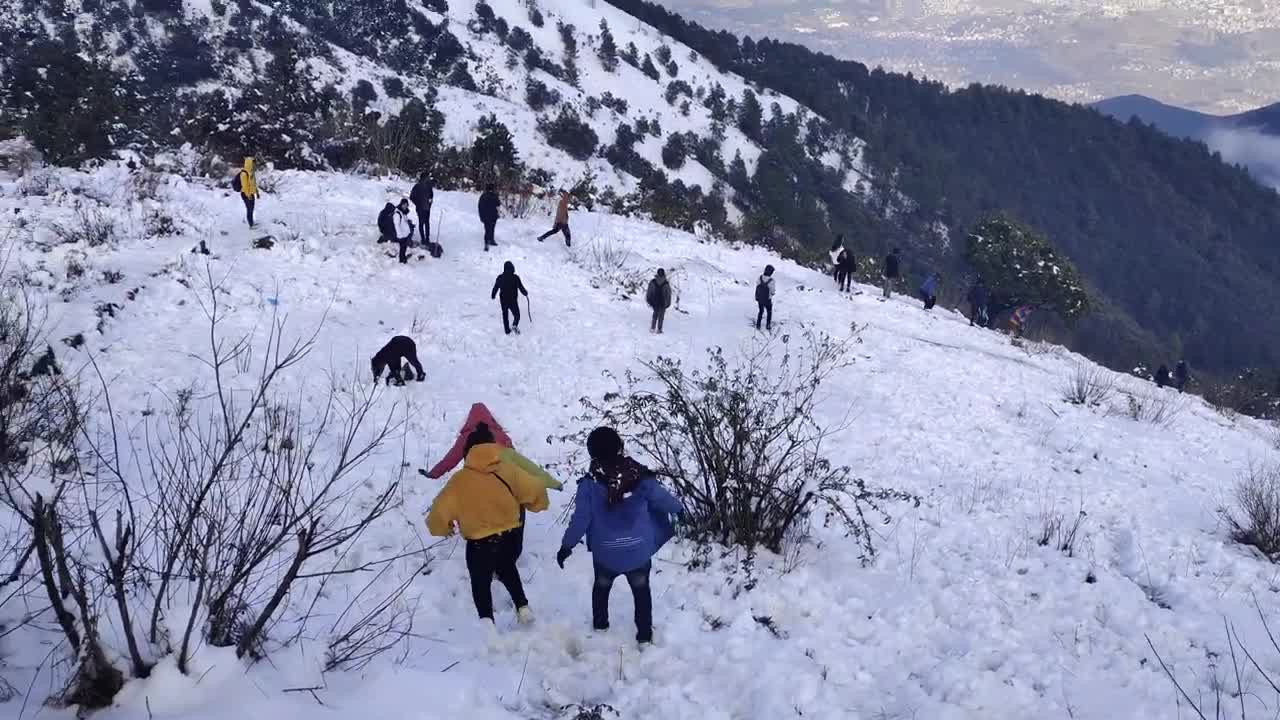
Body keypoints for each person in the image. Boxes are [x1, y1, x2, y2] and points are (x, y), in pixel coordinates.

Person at [556, 427, 683, 646]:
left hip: (606, 553)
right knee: (641, 590)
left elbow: (581, 520)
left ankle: (601, 625)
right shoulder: (640, 477)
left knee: (601, 586)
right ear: (619, 447)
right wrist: (679, 510)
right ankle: (644, 635)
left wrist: (566, 546)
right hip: (638, 551)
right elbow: (664, 500)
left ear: (591, 451)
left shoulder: (588, 485)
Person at [426, 425, 550, 626]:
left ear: (468, 451)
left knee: (480, 581)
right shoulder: (509, 469)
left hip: (479, 541)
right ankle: (523, 607)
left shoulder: (459, 481)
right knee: (507, 567)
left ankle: (487, 624)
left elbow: (438, 514)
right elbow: (536, 488)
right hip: (510, 533)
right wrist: (535, 504)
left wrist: (443, 528)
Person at [424, 404, 563, 557]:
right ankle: (510, 559)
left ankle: (487, 555)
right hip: (509, 486)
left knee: (484, 522)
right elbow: (525, 465)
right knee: (515, 519)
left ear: (469, 420)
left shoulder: (466, 438)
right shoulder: (502, 438)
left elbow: (450, 460)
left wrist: (433, 474)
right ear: (491, 418)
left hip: (478, 487)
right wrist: (552, 483)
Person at [491, 261, 529, 335]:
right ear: (512, 268)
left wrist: (493, 295)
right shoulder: (515, 278)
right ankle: (514, 325)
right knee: (517, 315)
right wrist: (525, 293)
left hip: (503, 300)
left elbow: (495, 287)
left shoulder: (500, 277)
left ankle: (507, 330)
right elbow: (521, 287)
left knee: (505, 315)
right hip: (513, 301)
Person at [234, 157, 259, 228]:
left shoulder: (251, 173)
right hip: (245, 194)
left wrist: (256, 192)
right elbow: (245, 186)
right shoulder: (244, 174)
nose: (254, 164)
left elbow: (253, 184)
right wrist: (248, 195)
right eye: (253, 163)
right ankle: (251, 224)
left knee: (251, 208)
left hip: (251, 193)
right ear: (249, 164)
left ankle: (252, 222)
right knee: (249, 209)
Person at [409, 173, 434, 246]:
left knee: (426, 223)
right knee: (421, 223)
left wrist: (430, 202)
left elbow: (431, 195)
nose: (428, 179)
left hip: (427, 208)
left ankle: (427, 238)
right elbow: (411, 197)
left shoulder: (429, 186)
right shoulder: (417, 186)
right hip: (420, 208)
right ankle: (423, 238)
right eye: (427, 177)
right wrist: (418, 203)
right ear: (423, 178)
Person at [645, 269, 673, 334]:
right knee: (661, 317)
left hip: (655, 301)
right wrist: (668, 303)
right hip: (663, 302)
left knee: (655, 314)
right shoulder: (666, 283)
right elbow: (668, 294)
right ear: (664, 274)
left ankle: (652, 328)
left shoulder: (653, 282)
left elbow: (649, 291)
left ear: (657, 274)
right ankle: (659, 329)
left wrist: (649, 299)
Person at [393, 198, 415, 264]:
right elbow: (396, 225)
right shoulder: (397, 214)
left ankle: (403, 258)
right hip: (401, 235)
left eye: (406, 205)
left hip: (405, 234)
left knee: (404, 248)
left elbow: (404, 222)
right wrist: (400, 236)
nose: (405, 206)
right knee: (402, 248)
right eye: (404, 204)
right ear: (401, 204)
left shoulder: (403, 212)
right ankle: (402, 260)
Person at [478, 184, 500, 251]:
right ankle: (491, 240)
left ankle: (487, 242)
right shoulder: (494, 195)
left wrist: (481, 216)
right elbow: (498, 204)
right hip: (493, 215)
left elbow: (480, 207)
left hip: (485, 216)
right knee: (492, 228)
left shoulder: (483, 196)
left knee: (487, 229)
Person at [755, 265, 776, 331]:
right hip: (767, 299)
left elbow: (757, 285)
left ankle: (758, 325)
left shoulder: (760, 277)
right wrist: (772, 294)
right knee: (769, 311)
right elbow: (772, 291)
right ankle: (768, 325)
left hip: (760, 298)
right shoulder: (772, 281)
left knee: (761, 311)